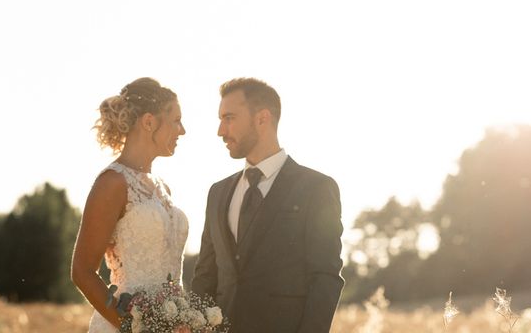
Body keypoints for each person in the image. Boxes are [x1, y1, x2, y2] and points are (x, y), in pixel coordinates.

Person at [192, 78, 344, 333]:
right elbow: (205, 276)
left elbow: (325, 277)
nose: (220, 130)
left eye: (229, 118)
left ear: (262, 118)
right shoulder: (218, 193)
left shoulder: (316, 188)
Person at [71, 77, 188, 332]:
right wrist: (131, 325)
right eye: (176, 120)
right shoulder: (112, 183)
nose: (182, 130)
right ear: (149, 122)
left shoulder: (163, 188)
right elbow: (81, 270)